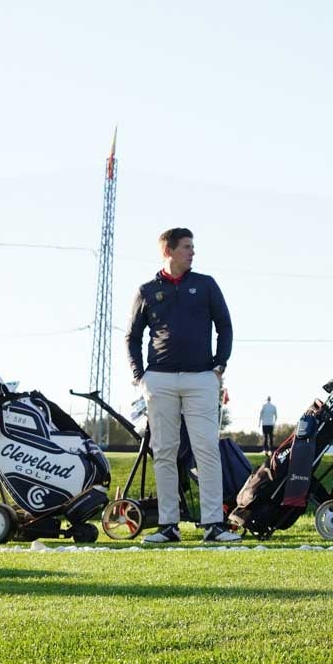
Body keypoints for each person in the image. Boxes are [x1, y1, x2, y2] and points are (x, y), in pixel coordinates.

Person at [126, 227, 240, 544]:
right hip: (158, 380)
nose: (192, 252)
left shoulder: (205, 285)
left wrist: (219, 365)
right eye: (187, 246)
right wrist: (140, 375)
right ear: (169, 251)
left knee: (206, 449)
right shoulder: (147, 290)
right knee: (164, 451)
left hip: (202, 378)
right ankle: (168, 525)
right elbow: (132, 337)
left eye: (192, 246)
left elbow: (225, 326)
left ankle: (214, 524)